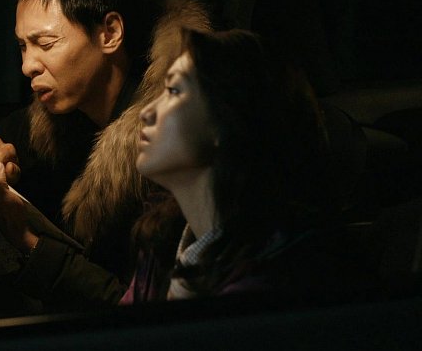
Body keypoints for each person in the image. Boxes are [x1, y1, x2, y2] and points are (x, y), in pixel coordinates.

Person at [0, 0, 212, 307]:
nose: (27, 65)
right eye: (22, 46)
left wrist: (28, 242)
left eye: (46, 44)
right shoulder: (54, 120)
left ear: (109, 33)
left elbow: (144, 311)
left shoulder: (172, 152)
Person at [122, 27, 333, 302]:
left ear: (225, 120)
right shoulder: (163, 244)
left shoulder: (280, 277)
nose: (147, 112)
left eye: (173, 91)